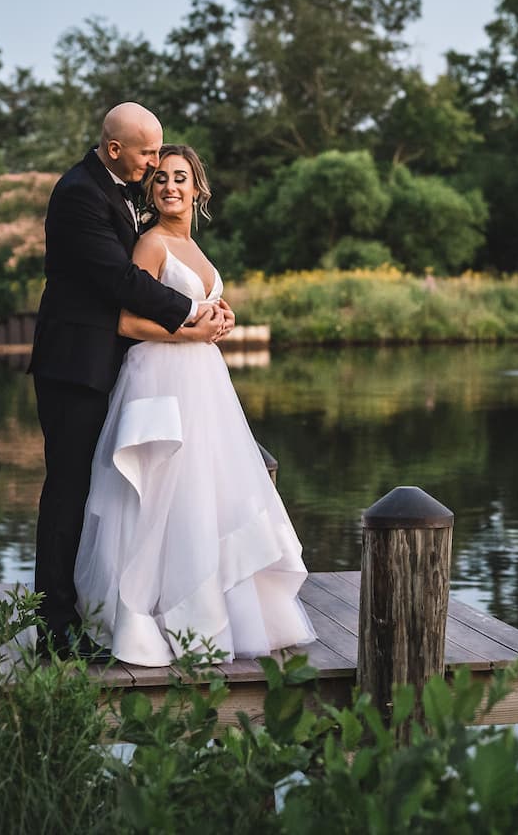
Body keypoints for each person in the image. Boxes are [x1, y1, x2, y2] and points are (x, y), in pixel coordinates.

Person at [74, 144, 317, 666]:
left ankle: (215, 609)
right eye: (160, 178)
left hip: (205, 384)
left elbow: (194, 314)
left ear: (197, 190)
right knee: (160, 494)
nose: (169, 187)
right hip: (159, 381)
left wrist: (218, 323)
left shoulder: (199, 254)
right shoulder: (150, 244)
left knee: (204, 492)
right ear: (152, 190)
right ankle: (157, 617)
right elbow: (127, 324)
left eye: (180, 178)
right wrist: (191, 336)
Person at [29, 104, 231, 661]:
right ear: (115, 150)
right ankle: (54, 630)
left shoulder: (113, 190)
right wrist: (195, 313)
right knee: (69, 493)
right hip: (74, 367)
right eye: (148, 153)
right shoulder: (79, 194)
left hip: (106, 367)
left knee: (102, 493)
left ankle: (93, 612)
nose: (155, 161)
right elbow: (119, 280)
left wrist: (209, 310)